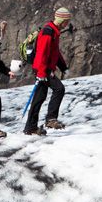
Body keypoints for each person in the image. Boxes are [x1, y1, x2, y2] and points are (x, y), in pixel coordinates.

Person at [23, 7, 72, 136]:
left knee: (39, 98)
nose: (67, 23)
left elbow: (55, 52)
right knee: (59, 89)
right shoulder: (48, 32)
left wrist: (63, 67)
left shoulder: (54, 31)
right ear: (62, 20)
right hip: (42, 69)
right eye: (67, 21)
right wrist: (41, 73)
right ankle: (50, 119)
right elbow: (42, 53)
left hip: (43, 69)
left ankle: (30, 128)